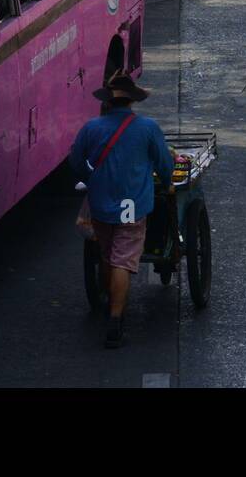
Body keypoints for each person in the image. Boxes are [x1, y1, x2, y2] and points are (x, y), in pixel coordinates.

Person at [69, 71, 173, 349]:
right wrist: (167, 182)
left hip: (101, 204)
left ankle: (108, 301)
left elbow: (76, 161)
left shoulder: (91, 128)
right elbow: (164, 163)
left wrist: (92, 179)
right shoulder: (147, 127)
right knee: (123, 261)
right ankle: (115, 319)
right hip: (133, 206)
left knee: (106, 253)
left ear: (108, 102)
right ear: (132, 102)